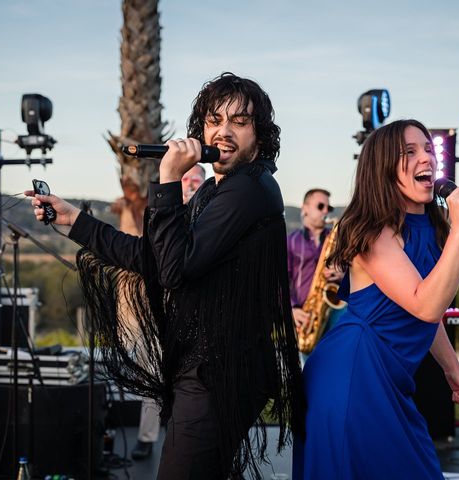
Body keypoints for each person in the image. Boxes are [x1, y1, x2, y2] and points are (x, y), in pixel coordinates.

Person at [27, 72, 304, 480]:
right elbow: (155, 257)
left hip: (219, 372)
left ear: (259, 136)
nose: (223, 131)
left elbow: (173, 271)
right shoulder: (217, 190)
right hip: (208, 367)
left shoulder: (249, 189)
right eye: (214, 121)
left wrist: (169, 179)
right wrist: (76, 222)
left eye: (239, 122)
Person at [293, 119, 459, 479]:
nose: (426, 157)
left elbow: (425, 313)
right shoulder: (373, 230)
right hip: (354, 376)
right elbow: (425, 303)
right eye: (409, 152)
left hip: (389, 381)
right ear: (382, 167)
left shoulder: (432, 227)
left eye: (427, 148)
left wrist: (452, 368)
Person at [131, 163, 206, 461]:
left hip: (197, 314)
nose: (189, 183)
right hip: (161, 310)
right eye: (185, 178)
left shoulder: (212, 215)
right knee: (152, 375)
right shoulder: (162, 214)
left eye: (196, 179)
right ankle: (147, 438)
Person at [287, 189, 343, 351]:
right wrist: (292, 308)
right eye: (320, 206)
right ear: (305, 208)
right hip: (304, 318)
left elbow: (351, 271)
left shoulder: (336, 240)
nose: (326, 211)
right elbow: (280, 280)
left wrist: (341, 274)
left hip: (332, 313)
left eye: (329, 208)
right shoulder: (291, 241)